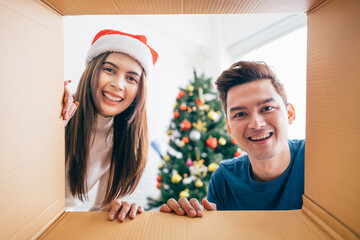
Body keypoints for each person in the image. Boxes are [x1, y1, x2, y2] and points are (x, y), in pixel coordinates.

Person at [160, 61, 304, 217]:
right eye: (240, 114)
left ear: (290, 114)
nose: (256, 124)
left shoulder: (314, 160)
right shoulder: (223, 179)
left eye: (267, 108)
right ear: (229, 128)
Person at [61, 29, 158, 222]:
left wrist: (118, 209)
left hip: (59, 223)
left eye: (131, 78)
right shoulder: (61, 108)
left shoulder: (121, 140)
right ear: (92, 71)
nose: (118, 84)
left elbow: (100, 212)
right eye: (109, 70)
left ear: (139, 91)